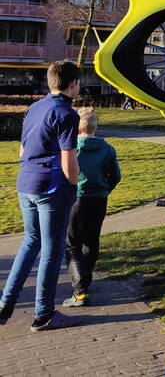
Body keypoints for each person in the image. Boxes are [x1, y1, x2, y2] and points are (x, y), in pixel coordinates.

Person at [0, 61, 82, 331]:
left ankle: (5, 304)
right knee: (52, 250)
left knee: (30, 242)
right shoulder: (67, 114)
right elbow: (69, 159)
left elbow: (22, 151)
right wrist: (74, 185)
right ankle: (44, 313)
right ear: (73, 84)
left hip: (26, 182)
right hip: (52, 188)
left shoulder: (34, 108)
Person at [62, 107, 121, 307]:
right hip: (99, 199)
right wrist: (104, 189)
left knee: (72, 244)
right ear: (95, 125)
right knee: (91, 242)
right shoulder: (107, 149)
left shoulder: (71, 148)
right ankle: (85, 281)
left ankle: (80, 290)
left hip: (76, 198)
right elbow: (116, 176)